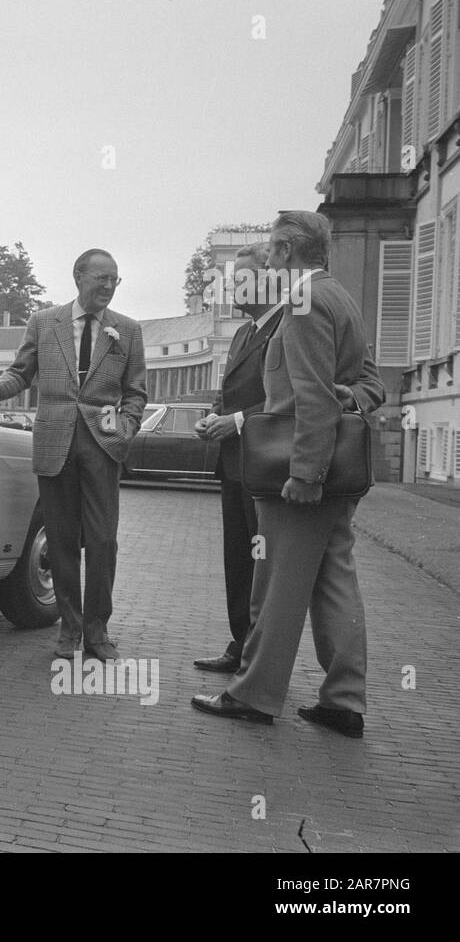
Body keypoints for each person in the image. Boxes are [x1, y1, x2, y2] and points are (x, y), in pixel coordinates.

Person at [192, 211, 385, 738]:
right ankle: (344, 700)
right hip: (341, 474)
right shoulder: (339, 297)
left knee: (275, 586)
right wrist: (350, 397)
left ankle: (253, 695)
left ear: (284, 251)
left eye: (272, 252)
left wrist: (305, 474)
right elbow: (368, 384)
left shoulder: (301, 303)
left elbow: (310, 399)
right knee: (335, 583)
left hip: (302, 473)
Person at [0, 250, 147, 661]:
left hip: (103, 447)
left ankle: (97, 630)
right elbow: (21, 373)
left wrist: (125, 429)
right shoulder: (43, 322)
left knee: (102, 541)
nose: (107, 287)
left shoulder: (129, 331)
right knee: (61, 540)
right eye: (101, 278)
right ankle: (69, 630)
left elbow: (136, 393)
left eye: (114, 280)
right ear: (78, 276)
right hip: (54, 445)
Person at [192, 243, 284, 673]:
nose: (233, 287)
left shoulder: (288, 326)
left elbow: (288, 399)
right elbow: (232, 390)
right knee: (238, 559)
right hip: (234, 465)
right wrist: (214, 415)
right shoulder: (245, 333)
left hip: (266, 467)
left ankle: (259, 657)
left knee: (263, 563)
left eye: (243, 277)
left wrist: (239, 422)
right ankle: (240, 645)